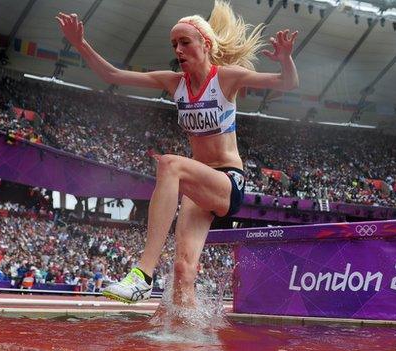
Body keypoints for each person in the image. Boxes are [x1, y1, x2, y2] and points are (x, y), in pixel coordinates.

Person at [56, 1, 298, 305]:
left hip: (228, 182)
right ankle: (190, 333)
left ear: (205, 44)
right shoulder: (174, 83)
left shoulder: (226, 78)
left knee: (169, 164)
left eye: (185, 42)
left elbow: (287, 82)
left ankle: (142, 275)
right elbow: (112, 75)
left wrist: (286, 59)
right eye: (174, 44)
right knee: (184, 271)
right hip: (198, 187)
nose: (178, 50)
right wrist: (80, 44)